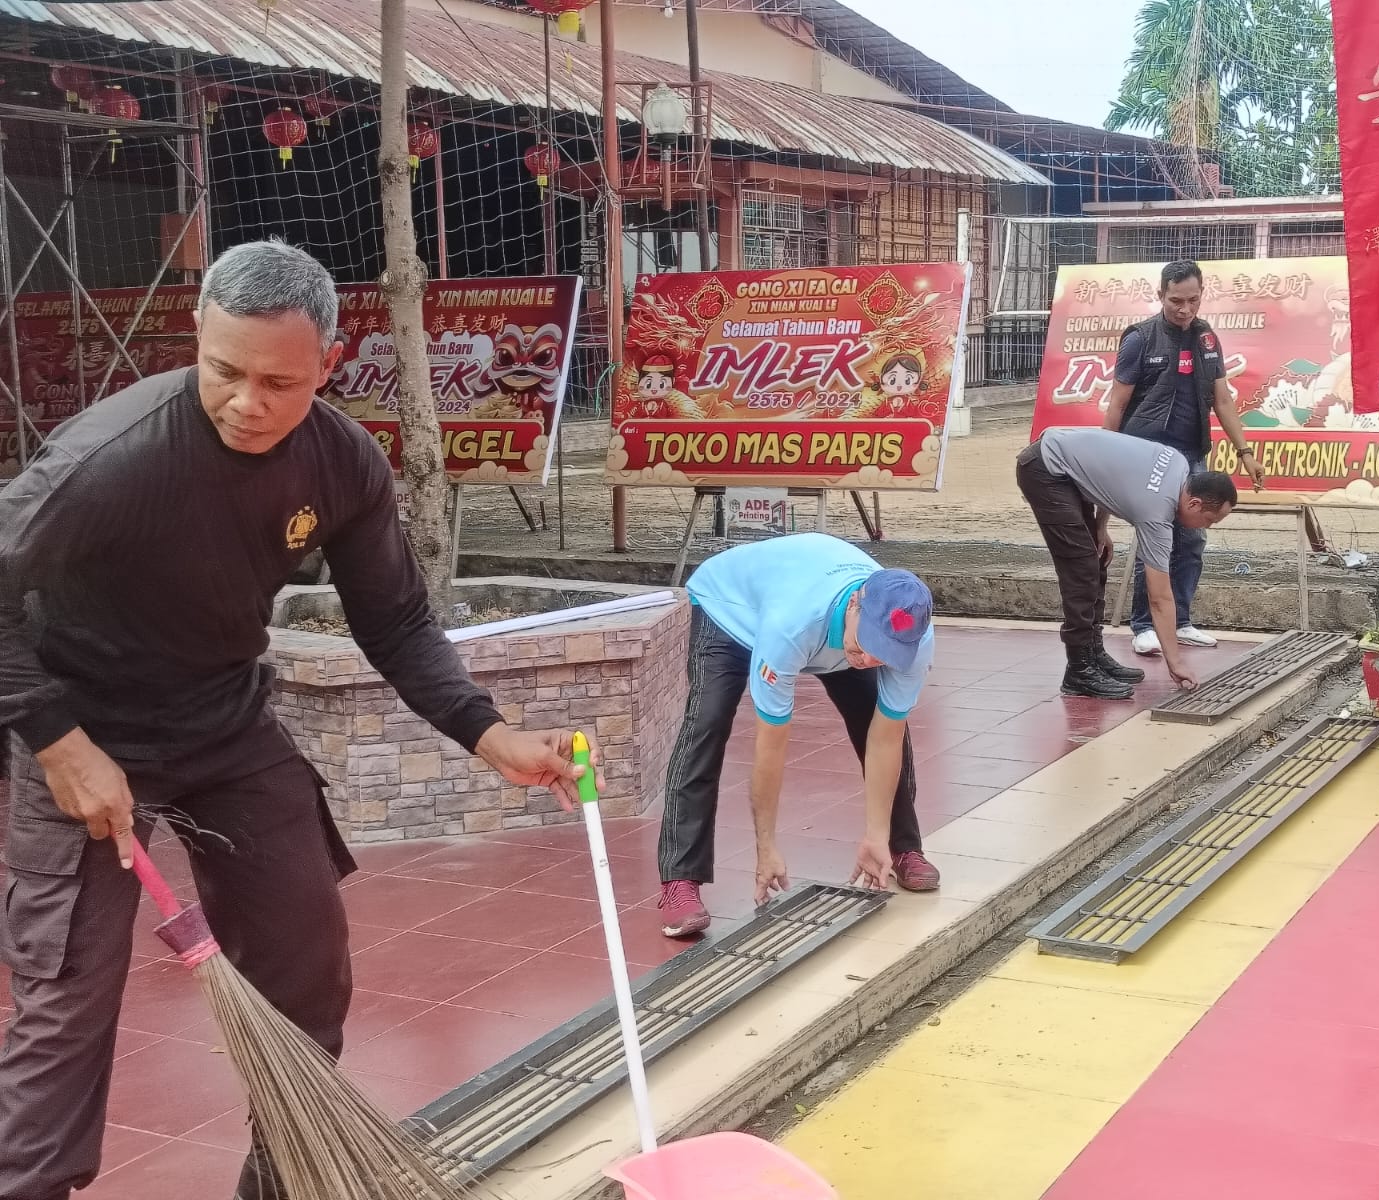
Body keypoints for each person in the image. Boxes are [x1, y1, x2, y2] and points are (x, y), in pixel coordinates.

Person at [0, 240, 601, 1200]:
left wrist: (491, 735)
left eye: (279, 382)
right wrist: (60, 745)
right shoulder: (110, 458)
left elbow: (396, 619)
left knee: (306, 965)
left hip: (225, 727)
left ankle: (284, 1181)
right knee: (65, 1001)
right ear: (197, 336)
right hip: (80, 728)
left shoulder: (341, 461)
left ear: (328, 363)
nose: (247, 402)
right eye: (224, 371)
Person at [656, 533, 939, 939]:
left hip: (825, 628)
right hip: (730, 612)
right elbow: (770, 746)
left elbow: (886, 738)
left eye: (887, 652)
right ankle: (679, 881)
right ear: (857, 603)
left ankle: (901, 847)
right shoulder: (791, 623)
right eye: (871, 644)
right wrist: (766, 848)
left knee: (878, 719)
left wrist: (874, 834)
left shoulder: (913, 640)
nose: (872, 659)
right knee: (707, 726)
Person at [1103, 261, 1264, 658]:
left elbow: (1222, 399)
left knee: (1193, 537)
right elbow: (1118, 402)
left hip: (1191, 454)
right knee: (1156, 538)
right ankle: (1144, 626)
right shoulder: (1139, 339)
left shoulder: (1207, 339)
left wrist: (1245, 452)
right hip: (1146, 455)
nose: (1185, 309)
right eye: (1176, 300)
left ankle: (1182, 620)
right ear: (1160, 296)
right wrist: (1106, 454)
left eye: (1193, 300)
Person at [1017, 427, 1239, 699]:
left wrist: (1100, 528)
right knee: (1081, 571)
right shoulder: (1156, 512)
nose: (1208, 527)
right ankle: (1079, 669)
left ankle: (1094, 655)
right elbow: (1159, 598)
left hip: (1065, 463)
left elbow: (1115, 476)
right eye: (1210, 520)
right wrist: (1176, 663)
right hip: (1046, 470)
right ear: (1194, 504)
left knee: (1094, 560)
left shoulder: (1177, 463)